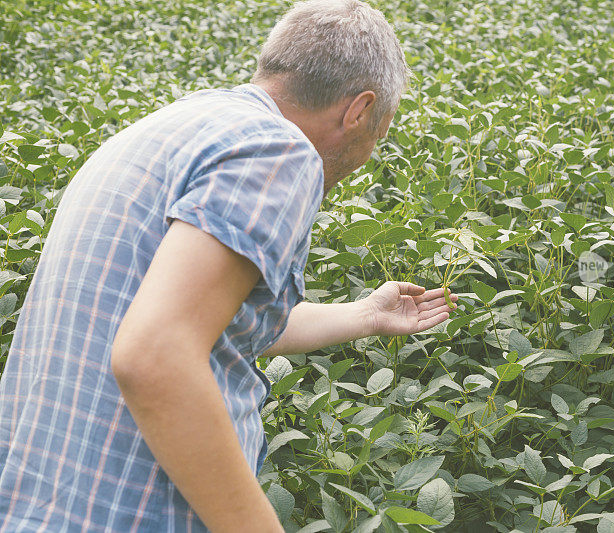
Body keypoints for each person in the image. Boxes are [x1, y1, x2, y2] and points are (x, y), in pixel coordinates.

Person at [0, 1, 459, 531]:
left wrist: (366, 314)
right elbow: (155, 354)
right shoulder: (276, 150)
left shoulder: (170, 127)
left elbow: (200, 320)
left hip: (39, 504)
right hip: (131, 512)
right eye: (380, 131)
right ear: (358, 110)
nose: (367, 152)